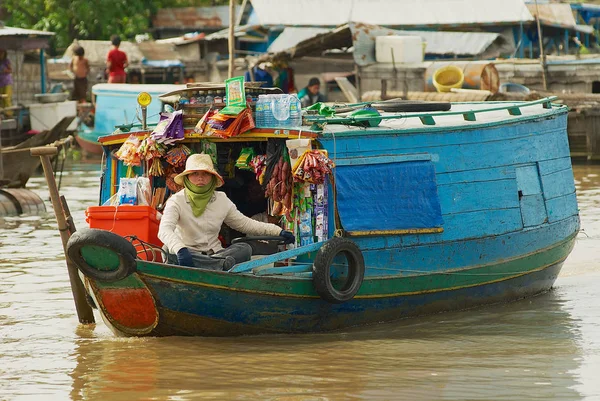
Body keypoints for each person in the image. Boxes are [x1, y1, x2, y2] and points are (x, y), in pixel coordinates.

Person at [158, 153, 295, 270]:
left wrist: (278, 231)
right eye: (195, 173)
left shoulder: (221, 200)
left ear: (212, 177)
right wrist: (181, 249)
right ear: (187, 178)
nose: (200, 178)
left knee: (244, 248)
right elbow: (164, 230)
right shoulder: (176, 201)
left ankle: (213, 264)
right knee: (168, 249)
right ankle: (217, 265)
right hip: (187, 255)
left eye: (205, 174)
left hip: (216, 255)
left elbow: (245, 224)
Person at [0, 49, 13, 116]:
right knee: (1, 99)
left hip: (7, 82)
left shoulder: (6, 61)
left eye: (2, 53)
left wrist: (5, 70)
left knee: (7, 98)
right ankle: (2, 112)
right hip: (0, 83)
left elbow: (10, 70)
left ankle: (9, 113)